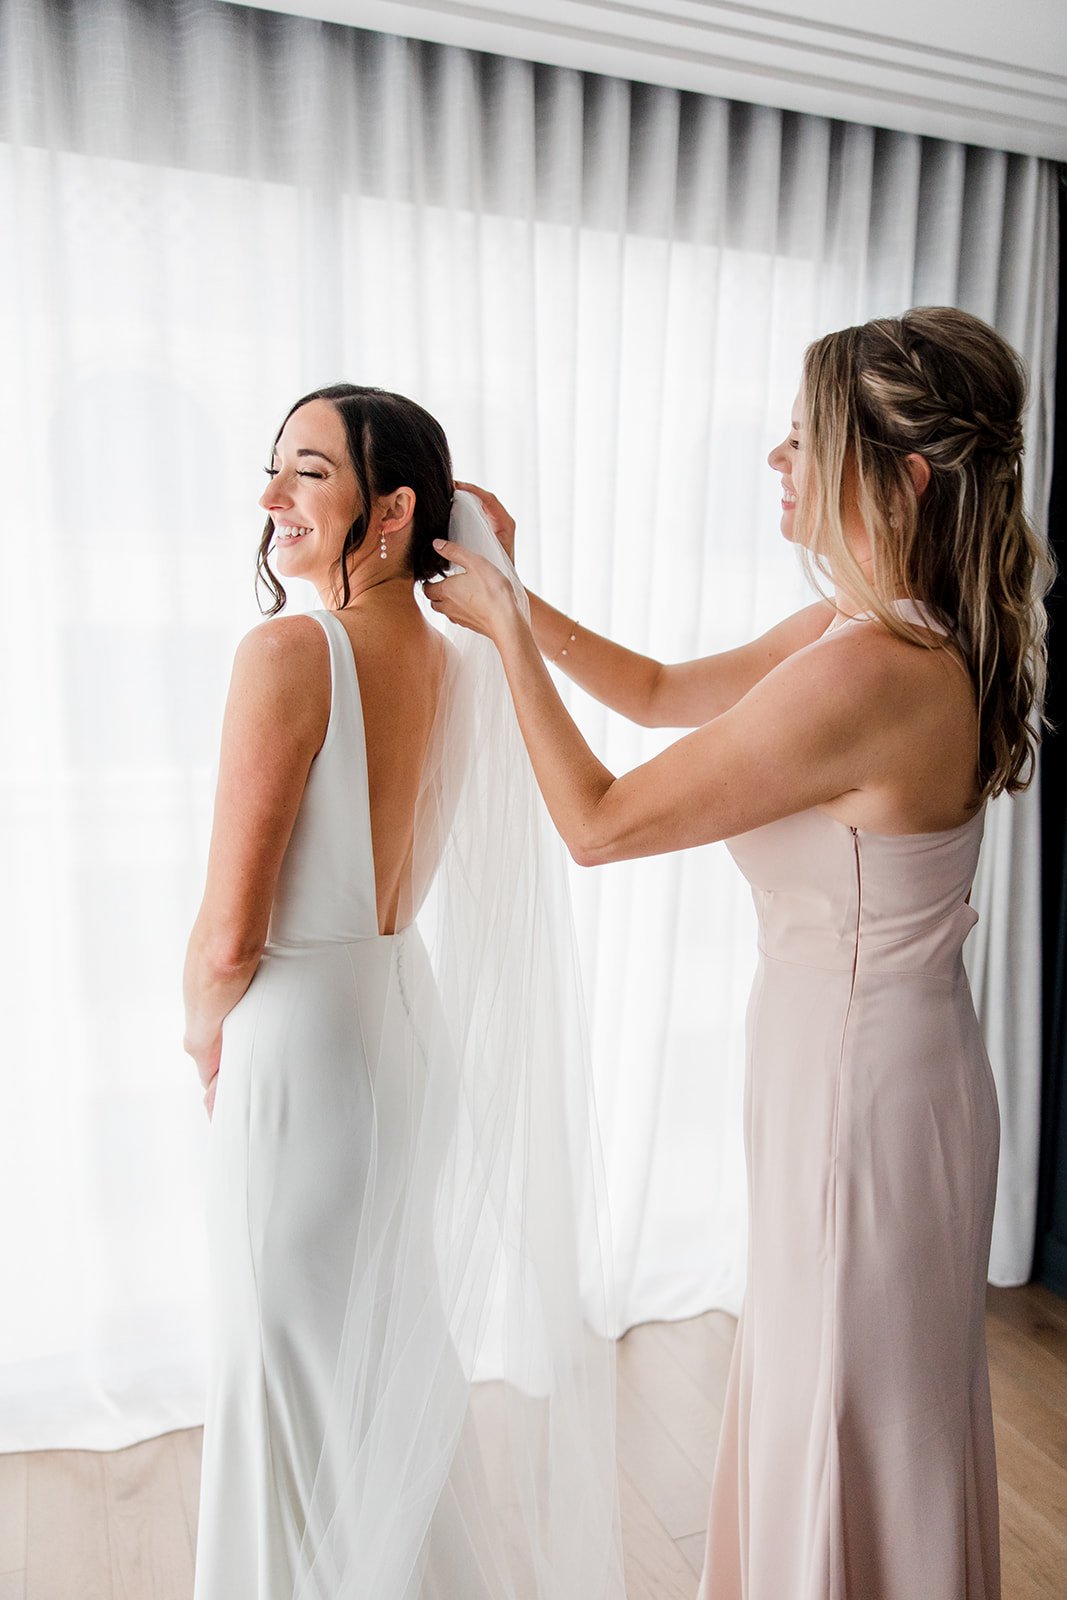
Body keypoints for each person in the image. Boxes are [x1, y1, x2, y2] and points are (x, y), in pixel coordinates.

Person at [427, 306, 1053, 1600]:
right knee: (850, 1392)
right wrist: (509, 589)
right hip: (879, 1067)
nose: (773, 461)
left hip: (856, 1093)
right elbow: (657, 691)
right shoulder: (874, 630)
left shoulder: (869, 670)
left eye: (797, 437)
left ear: (898, 474)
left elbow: (597, 825)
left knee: (835, 1394)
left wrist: (496, 631)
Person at [182, 385, 624, 1600]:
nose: (271, 497)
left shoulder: (285, 652)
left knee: (284, 1368)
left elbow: (230, 933)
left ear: (391, 508)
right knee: (379, 1364)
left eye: (308, 473)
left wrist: (199, 1035)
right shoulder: (456, 665)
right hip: (395, 1023)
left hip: (297, 1045)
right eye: (274, 468)